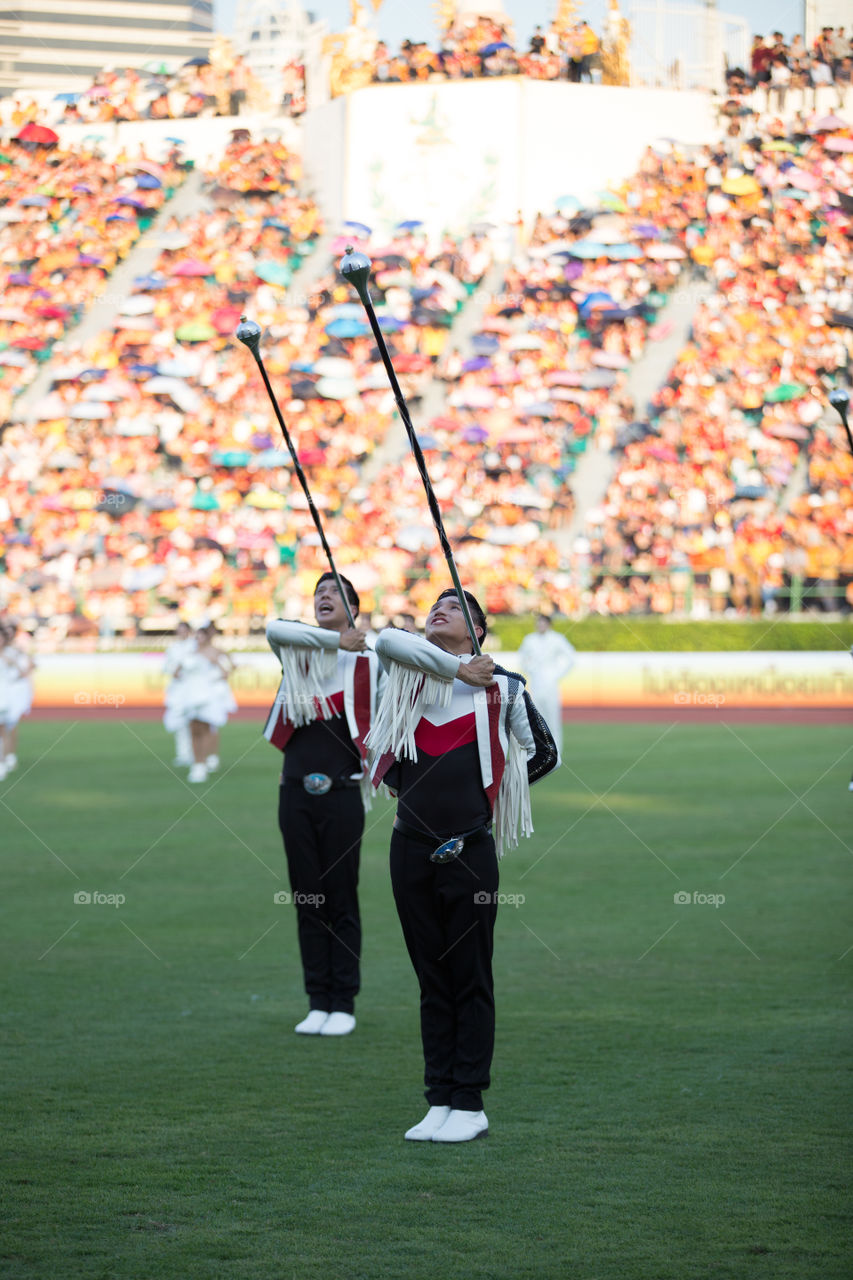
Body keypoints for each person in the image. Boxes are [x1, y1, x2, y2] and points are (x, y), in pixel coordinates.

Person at [370, 588, 558, 1143]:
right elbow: (385, 638)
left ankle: (470, 1102)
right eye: (436, 605)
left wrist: (498, 792)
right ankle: (438, 1098)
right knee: (431, 977)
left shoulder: (504, 687)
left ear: (480, 629)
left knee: (468, 975)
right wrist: (458, 667)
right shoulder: (406, 673)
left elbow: (544, 753)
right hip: (408, 846)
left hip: (468, 852)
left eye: (456, 608)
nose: (439, 611)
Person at [265, 573, 384, 1037]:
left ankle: (343, 1001)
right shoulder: (298, 653)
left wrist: (354, 644)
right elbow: (275, 628)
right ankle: (317, 999)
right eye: (319, 593)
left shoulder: (368, 663)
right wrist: (334, 641)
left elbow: (397, 650)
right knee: (306, 897)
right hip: (294, 794)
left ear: (355, 609)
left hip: (341, 795)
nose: (324, 597)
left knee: (340, 896)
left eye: (336, 592)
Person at [518, 613, 576, 755]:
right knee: (537, 717)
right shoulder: (529, 639)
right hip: (536, 682)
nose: (540, 625)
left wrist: (557, 674)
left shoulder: (557, 638)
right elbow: (522, 658)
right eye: (538, 622)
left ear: (549, 624)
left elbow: (571, 657)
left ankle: (556, 751)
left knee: (552, 717)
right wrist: (530, 670)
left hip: (551, 683)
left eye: (543, 622)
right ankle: (541, 749)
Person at [162, 620, 194, 767]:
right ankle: (183, 754)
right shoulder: (172, 648)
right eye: (178, 630)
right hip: (178, 689)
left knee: (197, 723)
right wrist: (173, 672)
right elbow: (166, 666)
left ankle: (199, 754)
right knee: (180, 724)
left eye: (183, 630)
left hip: (193, 689)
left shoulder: (195, 646)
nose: (181, 633)